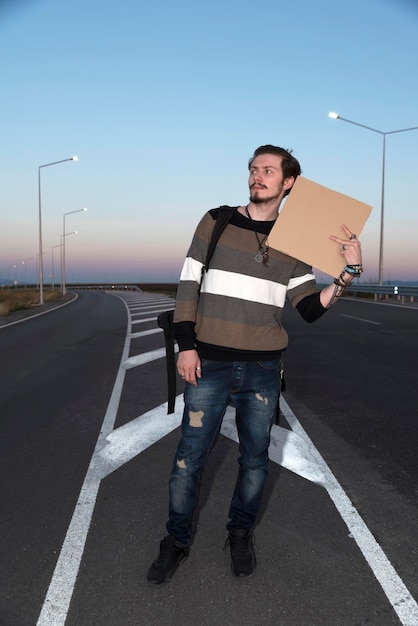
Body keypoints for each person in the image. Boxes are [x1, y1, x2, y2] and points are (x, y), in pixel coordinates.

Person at [146, 144, 363, 584]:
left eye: (267, 170)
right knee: (190, 457)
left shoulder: (294, 241)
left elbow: (308, 307)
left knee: (255, 459)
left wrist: (347, 274)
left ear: (289, 183)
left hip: (263, 367)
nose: (256, 176)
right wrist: (185, 346)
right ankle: (177, 539)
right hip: (209, 361)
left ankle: (240, 532)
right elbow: (188, 284)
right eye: (252, 169)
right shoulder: (217, 221)